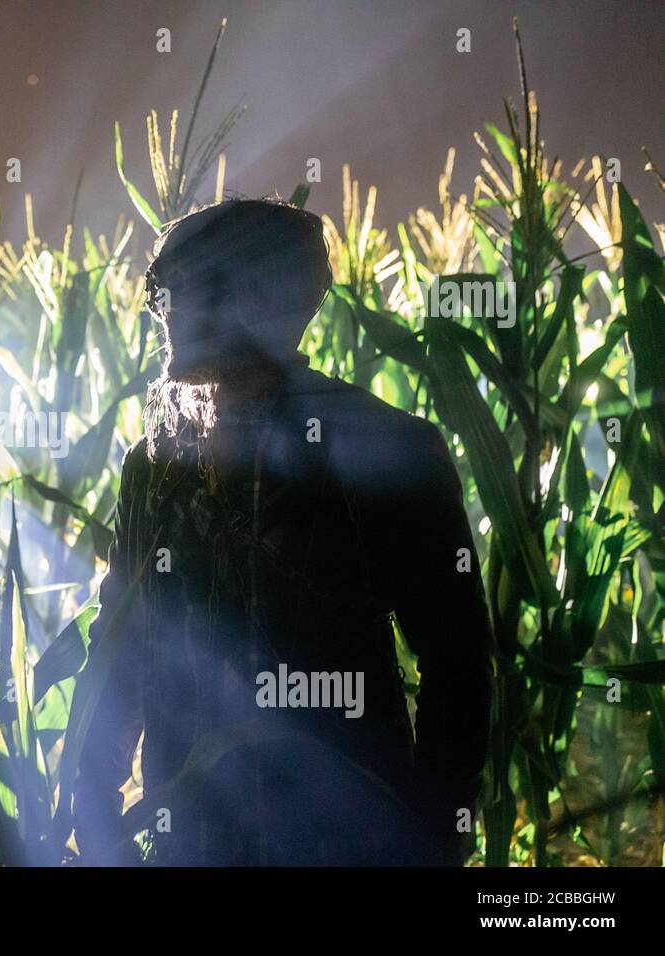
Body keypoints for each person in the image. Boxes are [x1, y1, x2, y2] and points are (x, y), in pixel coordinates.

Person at [72, 199, 495, 866]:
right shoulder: (153, 467)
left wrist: (434, 833)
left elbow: (459, 664)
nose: (169, 312)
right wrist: (92, 813)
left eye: (197, 286)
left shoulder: (389, 451)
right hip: (189, 841)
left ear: (269, 300)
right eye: (163, 290)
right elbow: (120, 649)